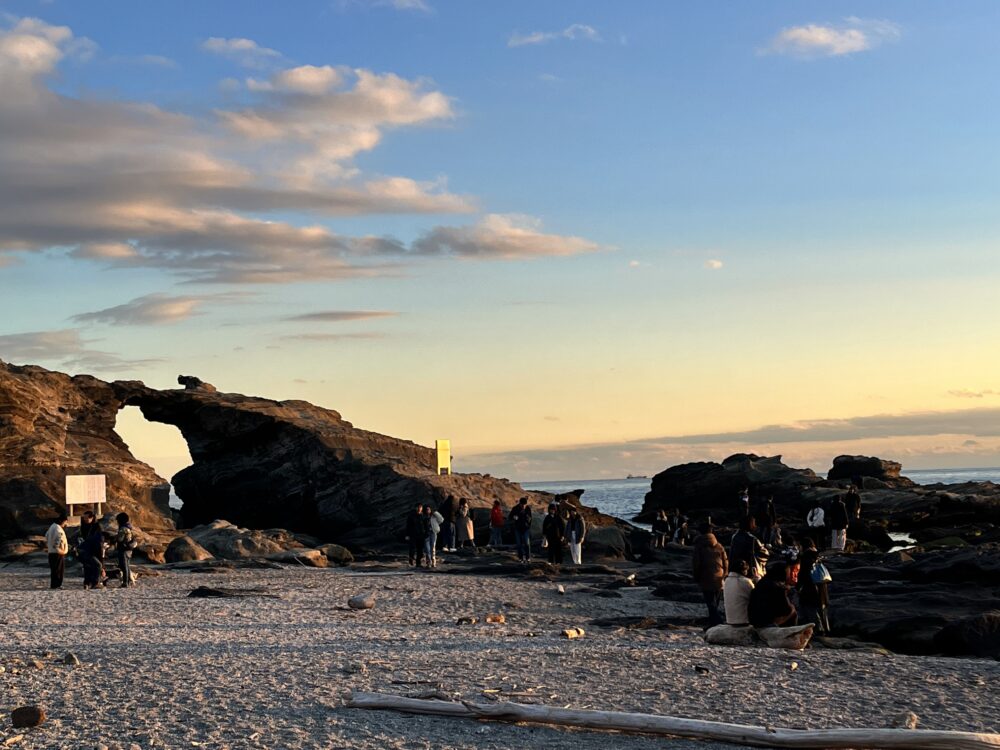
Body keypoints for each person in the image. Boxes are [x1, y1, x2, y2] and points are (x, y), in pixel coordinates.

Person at [692, 522, 728, 627]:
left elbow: (696, 563)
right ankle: (714, 623)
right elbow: (725, 561)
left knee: (710, 603)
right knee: (715, 603)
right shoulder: (719, 545)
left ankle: (718, 622)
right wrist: (724, 574)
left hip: (705, 577)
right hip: (719, 577)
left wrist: (696, 576)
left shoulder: (699, 546)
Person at [748, 561, 798, 629]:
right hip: (766, 623)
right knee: (793, 611)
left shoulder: (762, 582)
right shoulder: (778, 588)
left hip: (754, 620)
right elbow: (786, 609)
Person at [797, 537, 831, 634]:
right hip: (821, 587)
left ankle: (818, 630)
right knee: (821, 609)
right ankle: (826, 629)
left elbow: (804, 573)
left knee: (810, 609)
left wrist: (798, 586)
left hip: (810, 588)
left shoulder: (806, 556)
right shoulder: (816, 555)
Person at [729, 516, 769, 581]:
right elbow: (764, 554)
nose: (755, 526)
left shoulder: (734, 537)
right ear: (749, 524)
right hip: (749, 570)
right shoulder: (752, 539)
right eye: (754, 523)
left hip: (735, 570)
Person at [723, 559, 755, 626]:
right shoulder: (745, 581)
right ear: (743, 570)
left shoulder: (727, 580)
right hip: (744, 620)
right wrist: (757, 579)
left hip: (730, 619)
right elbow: (755, 596)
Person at [45, 513, 69, 589]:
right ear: (63, 521)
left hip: (51, 552)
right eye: (65, 522)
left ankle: (53, 585)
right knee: (59, 570)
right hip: (58, 553)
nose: (65, 524)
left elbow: (46, 535)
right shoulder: (58, 529)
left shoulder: (52, 526)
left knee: (54, 570)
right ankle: (57, 585)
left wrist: (49, 546)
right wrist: (58, 548)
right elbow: (59, 538)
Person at [115, 512, 138, 588]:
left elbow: (120, 539)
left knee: (124, 567)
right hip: (129, 549)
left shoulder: (123, 529)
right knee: (127, 566)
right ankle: (128, 582)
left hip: (123, 549)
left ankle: (125, 583)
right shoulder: (129, 527)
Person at [509, 497, 532, 562]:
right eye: (522, 505)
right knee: (519, 544)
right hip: (518, 528)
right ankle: (521, 558)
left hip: (526, 528)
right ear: (520, 504)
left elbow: (530, 518)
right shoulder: (515, 508)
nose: (524, 506)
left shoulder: (528, 508)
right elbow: (510, 516)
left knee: (527, 544)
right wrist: (514, 517)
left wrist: (528, 524)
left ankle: (528, 558)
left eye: (525, 505)